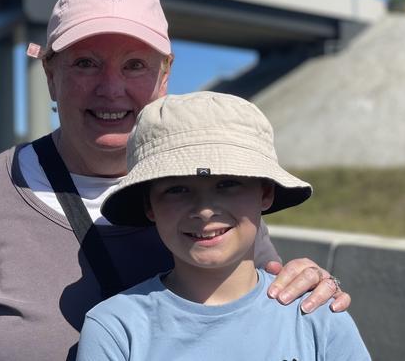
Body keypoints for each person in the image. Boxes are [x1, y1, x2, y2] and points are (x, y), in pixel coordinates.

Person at [0, 0, 350, 360]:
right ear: (50, 74)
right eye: (85, 62)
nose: (111, 87)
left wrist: (306, 286)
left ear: (165, 76)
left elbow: (259, 307)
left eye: (135, 64)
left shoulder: (222, 197)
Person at [76, 91, 370, 360]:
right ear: (149, 205)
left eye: (228, 183)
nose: (204, 210)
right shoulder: (115, 328)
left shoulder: (317, 314)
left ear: (265, 192)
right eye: (177, 189)